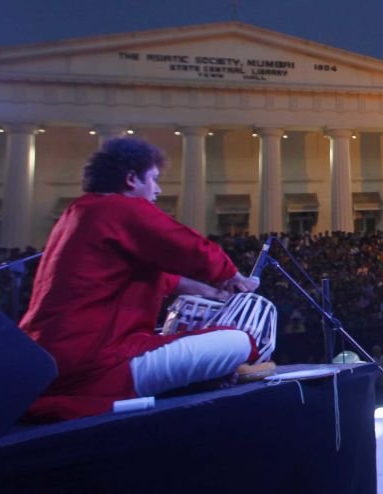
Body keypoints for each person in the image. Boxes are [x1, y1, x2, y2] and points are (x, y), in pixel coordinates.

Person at [20, 137, 260, 421]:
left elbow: (162, 279)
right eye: (154, 179)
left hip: (48, 362)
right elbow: (184, 244)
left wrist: (211, 290)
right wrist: (232, 276)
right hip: (96, 365)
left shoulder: (79, 213)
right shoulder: (119, 208)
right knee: (239, 341)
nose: (157, 190)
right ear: (132, 179)